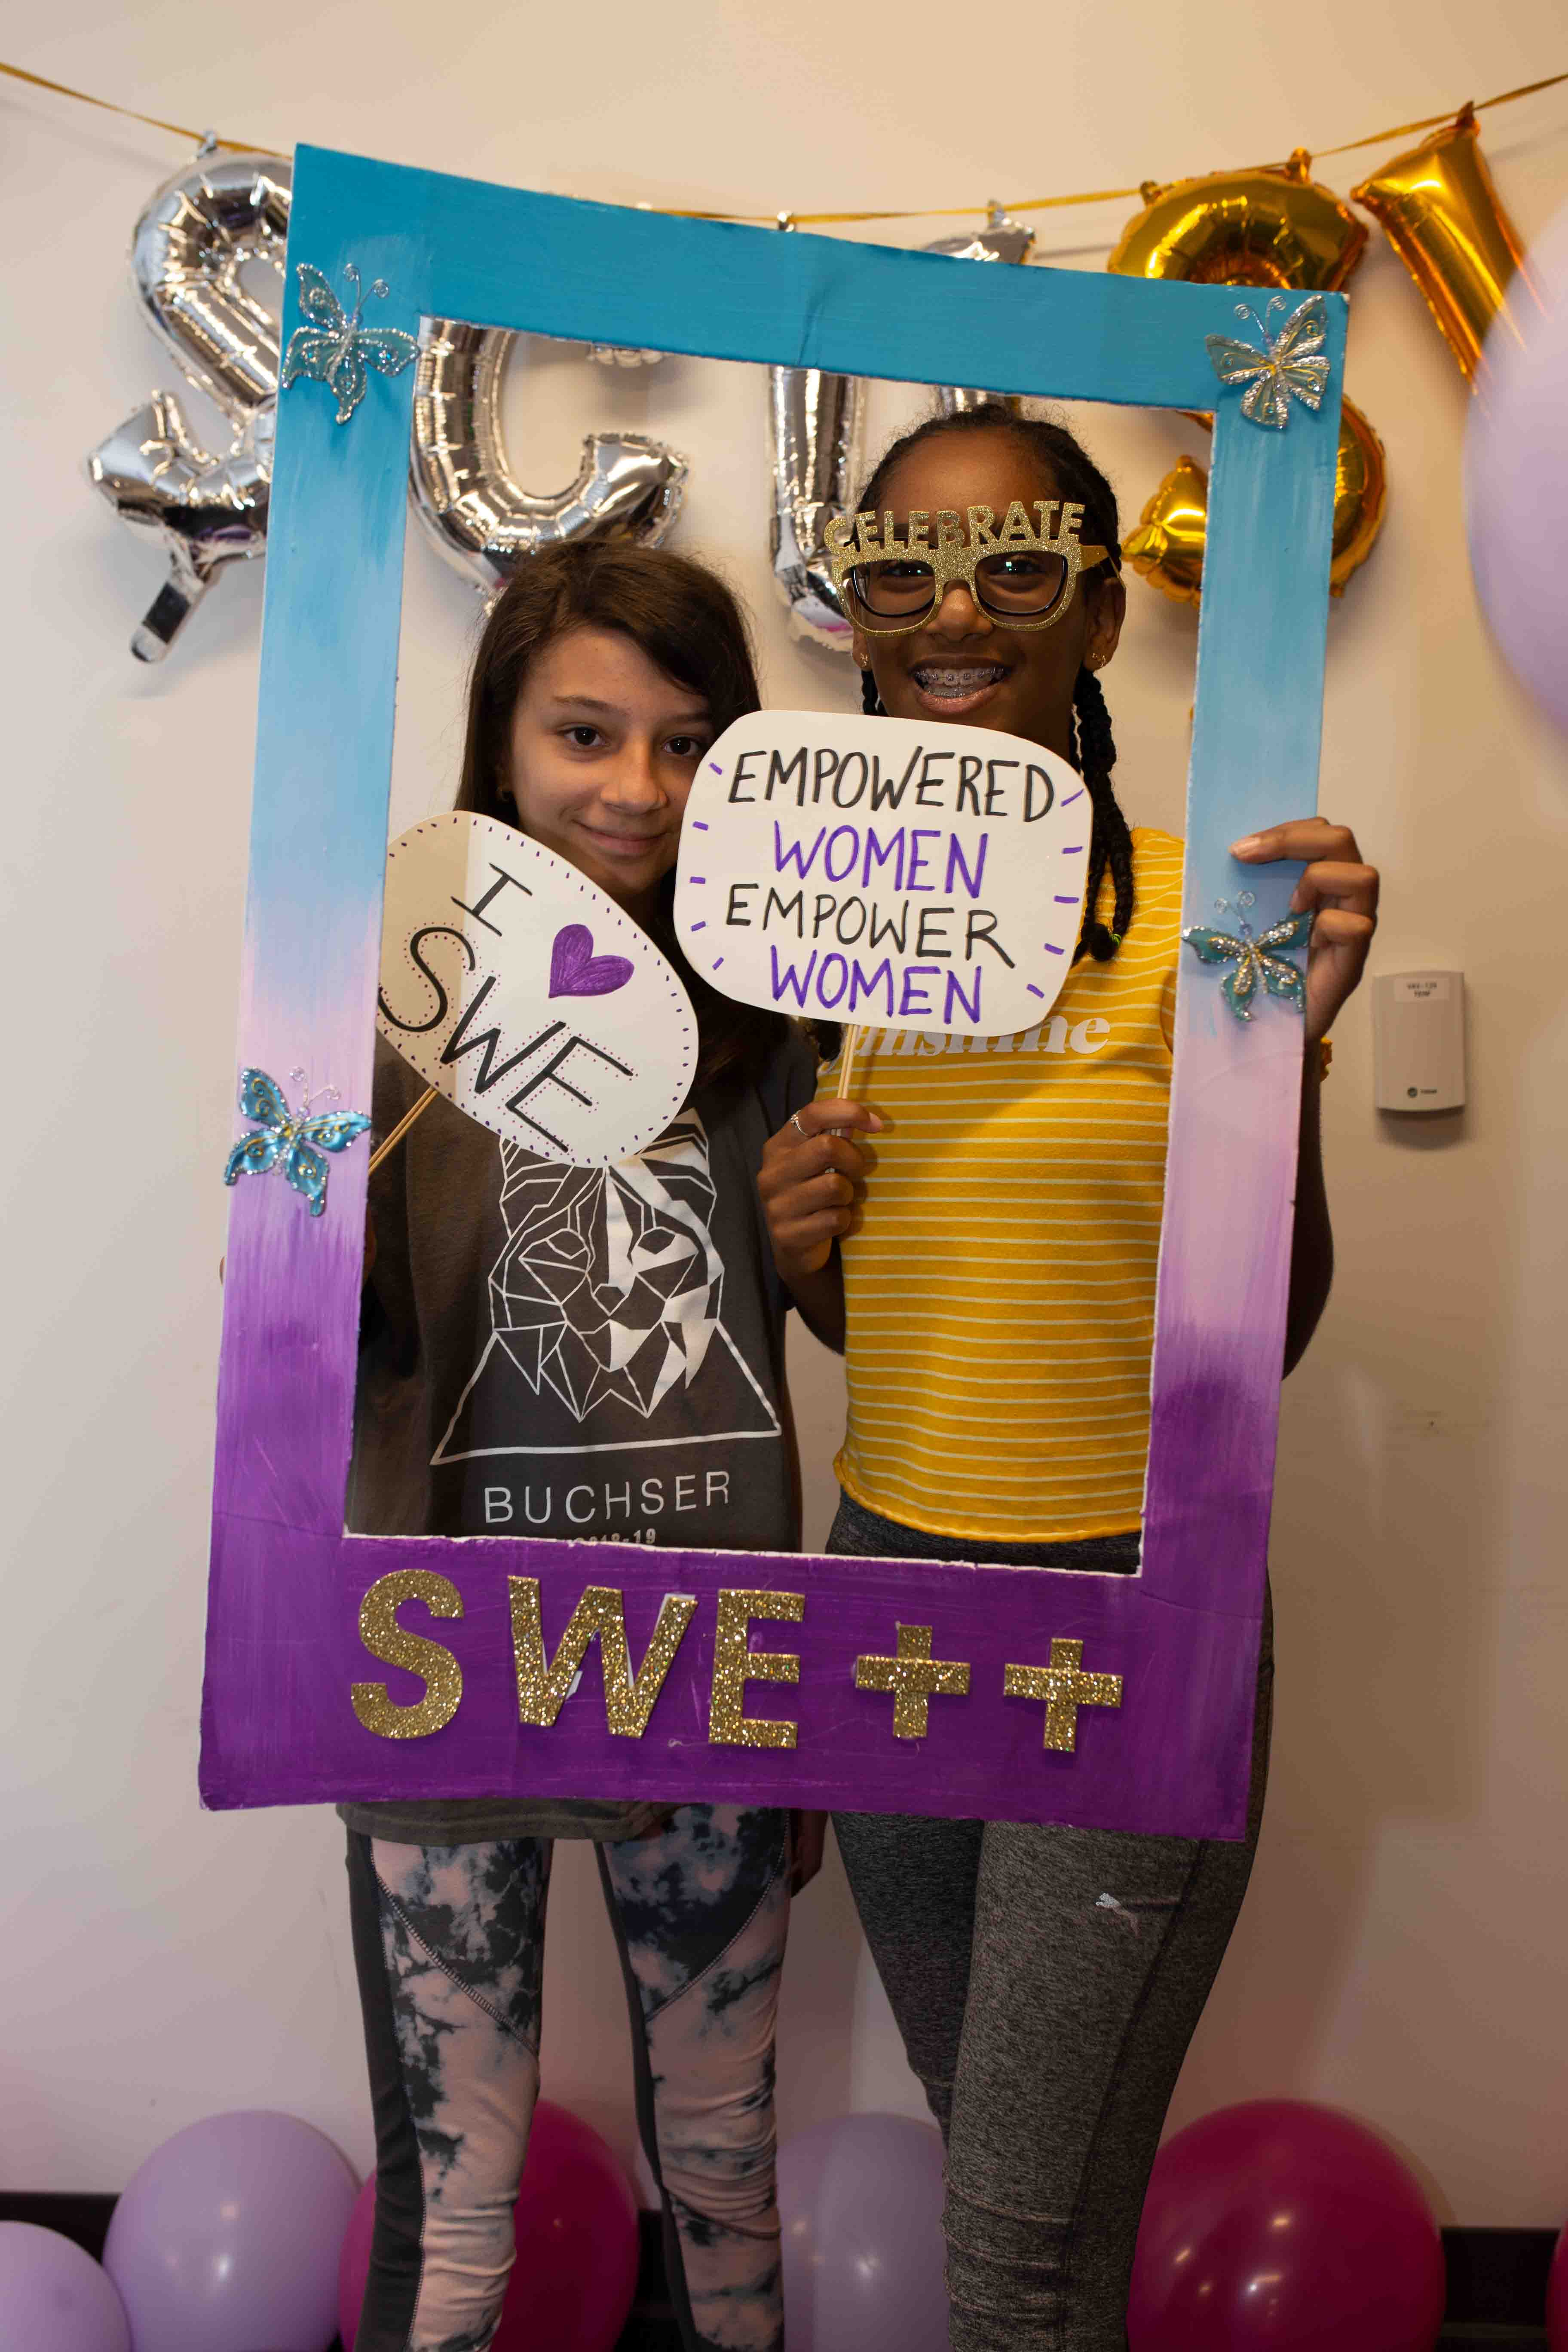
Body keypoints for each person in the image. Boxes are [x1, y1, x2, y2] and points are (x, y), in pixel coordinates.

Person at [757, 404, 1379, 2351]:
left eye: (1017, 565)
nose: (957, 614)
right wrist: (795, 1254)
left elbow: (1262, 1337)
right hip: (887, 1597)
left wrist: (1294, 1065)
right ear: (857, 622)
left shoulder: (1226, 925)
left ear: (1103, 618)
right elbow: (895, 1334)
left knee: (1019, 2265)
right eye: (903, 571)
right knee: (1009, 2185)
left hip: (1129, 1611)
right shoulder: (816, 945)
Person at [346, 542, 819, 2352]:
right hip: (437, 1663)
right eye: (585, 732)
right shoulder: (401, 1003)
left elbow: (833, 1328)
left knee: (725, 2163)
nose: (637, 786)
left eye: (689, 742)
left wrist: (836, 1227)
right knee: (454, 2205)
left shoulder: (779, 1019)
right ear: (504, 740)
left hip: (712, 1672)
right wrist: (294, 1260)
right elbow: (344, 1363)